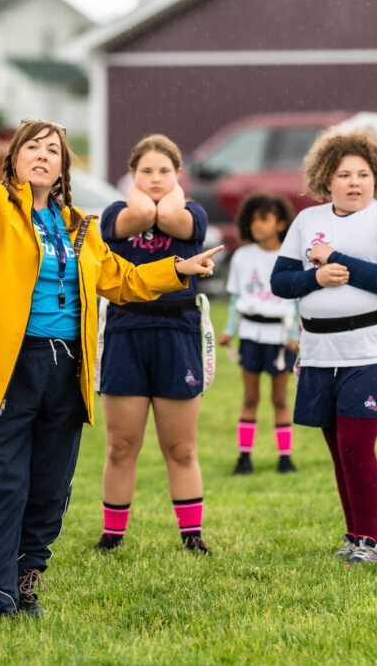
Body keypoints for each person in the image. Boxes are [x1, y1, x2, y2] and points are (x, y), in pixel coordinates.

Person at [0, 120, 221, 619]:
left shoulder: (79, 224)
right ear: (14, 159)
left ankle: (25, 582)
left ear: (63, 165)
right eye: (32, 147)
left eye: (52, 149)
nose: (42, 155)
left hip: (64, 367)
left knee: (50, 484)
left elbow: (118, 280)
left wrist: (177, 271)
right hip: (2, 364)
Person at [271, 128, 377, 566]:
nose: (355, 182)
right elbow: (281, 283)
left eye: (364, 174)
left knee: (357, 444)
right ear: (325, 179)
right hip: (318, 354)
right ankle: (353, 536)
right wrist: (314, 277)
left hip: (369, 352)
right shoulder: (306, 222)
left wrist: (338, 261)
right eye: (344, 174)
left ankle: (371, 541)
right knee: (337, 448)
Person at [94, 134, 211, 555]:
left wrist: (171, 193)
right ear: (131, 175)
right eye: (146, 171)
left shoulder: (192, 213)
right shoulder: (115, 214)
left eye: (165, 171)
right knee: (121, 445)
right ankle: (112, 536)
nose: (156, 179)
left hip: (178, 334)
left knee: (180, 447)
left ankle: (191, 536)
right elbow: (143, 213)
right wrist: (139, 195)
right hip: (127, 333)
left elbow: (170, 217)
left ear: (179, 176)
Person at [219, 193, 298, 476]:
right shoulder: (242, 257)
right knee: (250, 398)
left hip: (280, 338)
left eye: (264, 219)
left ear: (281, 224)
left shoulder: (290, 258)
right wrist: (230, 331)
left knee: (279, 399)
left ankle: (285, 459)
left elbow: (297, 300)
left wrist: (294, 335)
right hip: (251, 335)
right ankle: (244, 458)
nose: (257, 225)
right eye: (252, 220)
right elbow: (236, 299)